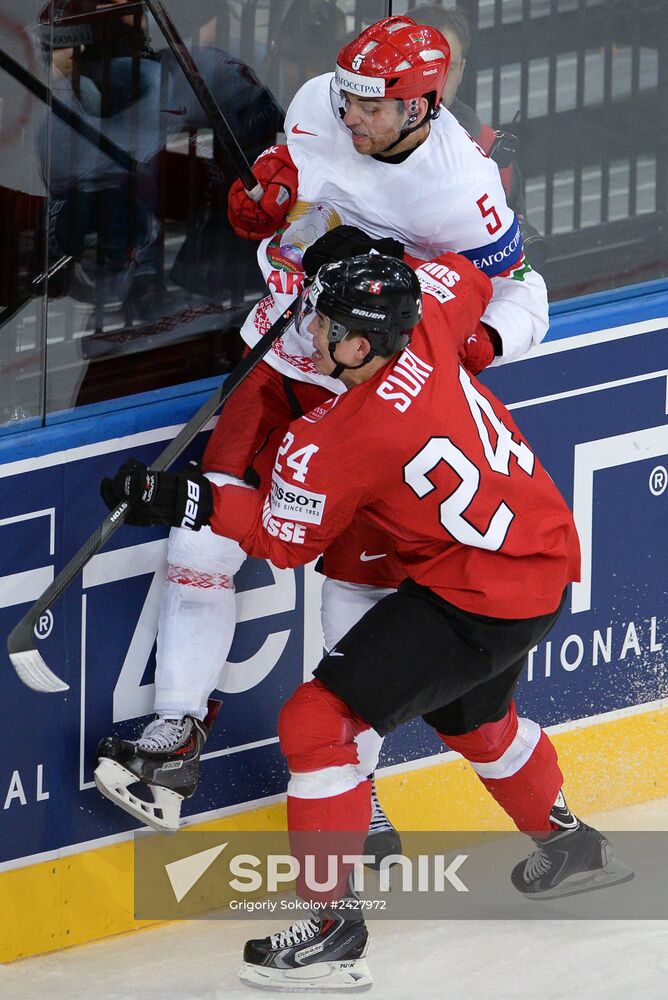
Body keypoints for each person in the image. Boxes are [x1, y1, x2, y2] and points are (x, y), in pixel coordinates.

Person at [101, 249, 632, 991]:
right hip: (539, 559)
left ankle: (331, 932)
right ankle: (571, 848)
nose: (312, 329)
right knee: (475, 722)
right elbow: (467, 267)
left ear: (357, 346)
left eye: (326, 322)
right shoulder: (427, 315)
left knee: (318, 724)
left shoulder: (344, 437)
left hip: (475, 595)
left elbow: (285, 539)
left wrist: (188, 501)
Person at [94, 15, 549, 843]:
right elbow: (288, 204)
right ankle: (175, 734)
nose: (350, 116)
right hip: (279, 355)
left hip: (366, 401)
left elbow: (524, 294)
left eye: (371, 106)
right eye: (346, 97)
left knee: (356, 599)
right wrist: (269, 196)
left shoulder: (463, 194)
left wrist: (465, 346)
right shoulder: (319, 102)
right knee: (201, 542)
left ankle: (354, 784)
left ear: (421, 107)